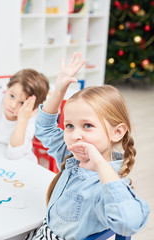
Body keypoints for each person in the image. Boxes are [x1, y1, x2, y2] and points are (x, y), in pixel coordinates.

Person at [25, 53, 150, 239]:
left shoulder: (107, 185)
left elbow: (128, 222)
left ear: (117, 132)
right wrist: (58, 92)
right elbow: (45, 128)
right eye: (69, 126)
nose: (75, 135)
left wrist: (100, 164)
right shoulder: (73, 157)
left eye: (88, 126)